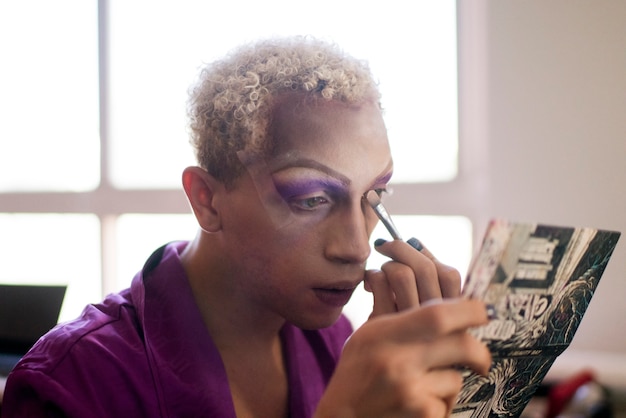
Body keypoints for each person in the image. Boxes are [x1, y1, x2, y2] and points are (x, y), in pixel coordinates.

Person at [2, 36, 491, 418]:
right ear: (206, 199)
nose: (357, 246)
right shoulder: (71, 382)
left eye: (374, 197)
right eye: (312, 199)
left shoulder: (335, 341)